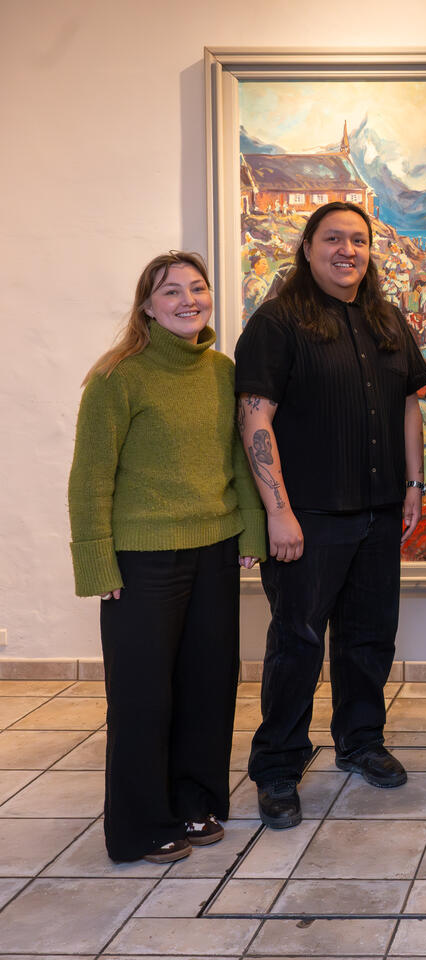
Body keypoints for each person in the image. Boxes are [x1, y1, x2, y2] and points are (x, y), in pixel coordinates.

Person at [235, 202, 426, 828]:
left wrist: (412, 484)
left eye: (359, 240)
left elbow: (408, 405)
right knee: (296, 643)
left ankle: (360, 741)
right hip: (309, 517)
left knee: (370, 636)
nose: (348, 250)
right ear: (309, 246)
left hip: (378, 512)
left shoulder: (387, 319)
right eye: (334, 238)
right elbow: (255, 417)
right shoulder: (277, 321)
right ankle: (277, 765)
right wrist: (278, 513)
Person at [68, 252, 266, 863]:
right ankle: (139, 826)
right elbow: (89, 480)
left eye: (197, 289)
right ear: (147, 305)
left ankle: (196, 801)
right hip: (141, 560)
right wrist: (97, 564)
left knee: (209, 685)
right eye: (171, 291)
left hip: (214, 550)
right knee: (142, 696)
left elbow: (237, 460)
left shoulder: (221, 371)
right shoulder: (117, 377)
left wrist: (251, 533)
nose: (188, 300)